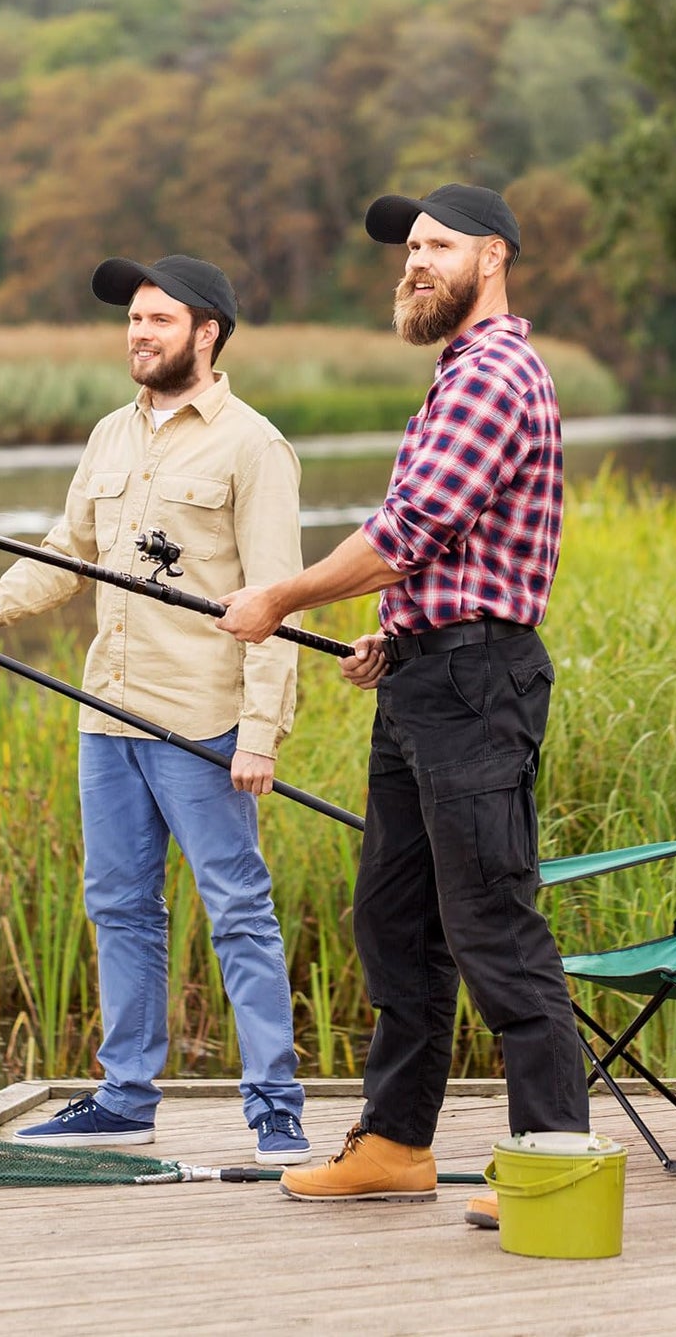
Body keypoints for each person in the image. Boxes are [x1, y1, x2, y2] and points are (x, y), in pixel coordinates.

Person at [217, 184, 589, 1220]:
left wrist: (281, 593)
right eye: (407, 248)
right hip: (433, 670)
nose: (413, 261)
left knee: (491, 926)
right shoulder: (457, 373)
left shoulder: (492, 374)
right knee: (392, 919)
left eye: (435, 245)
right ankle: (392, 1142)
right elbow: (438, 554)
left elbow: (406, 528)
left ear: (494, 255)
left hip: (476, 685)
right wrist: (400, 628)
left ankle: (554, 1166)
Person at [0, 254, 311, 1164]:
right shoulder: (107, 437)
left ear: (207, 333)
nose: (138, 333)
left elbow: (275, 599)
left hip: (201, 723)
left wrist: (259, 733)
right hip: (107, 713)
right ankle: (125, 1096)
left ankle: (275, 1107)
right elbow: (63, 556)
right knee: (121, 907)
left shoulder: (254, 446)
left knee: (237, 908)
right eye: (132, 319)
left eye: (158, 320)